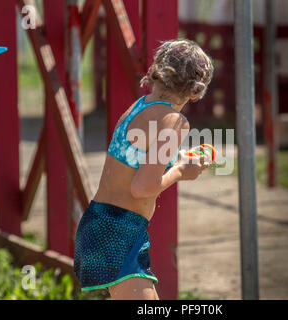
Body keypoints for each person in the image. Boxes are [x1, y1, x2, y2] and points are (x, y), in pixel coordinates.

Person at [74, 39, 214, 300]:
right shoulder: (174, 121)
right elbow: (142, 187)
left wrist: (180, 157)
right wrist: (182, 171)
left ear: (157, 72)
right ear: (196, 92)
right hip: (119, 230)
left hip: (98, 221)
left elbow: (134, 158)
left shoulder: (140, 106)